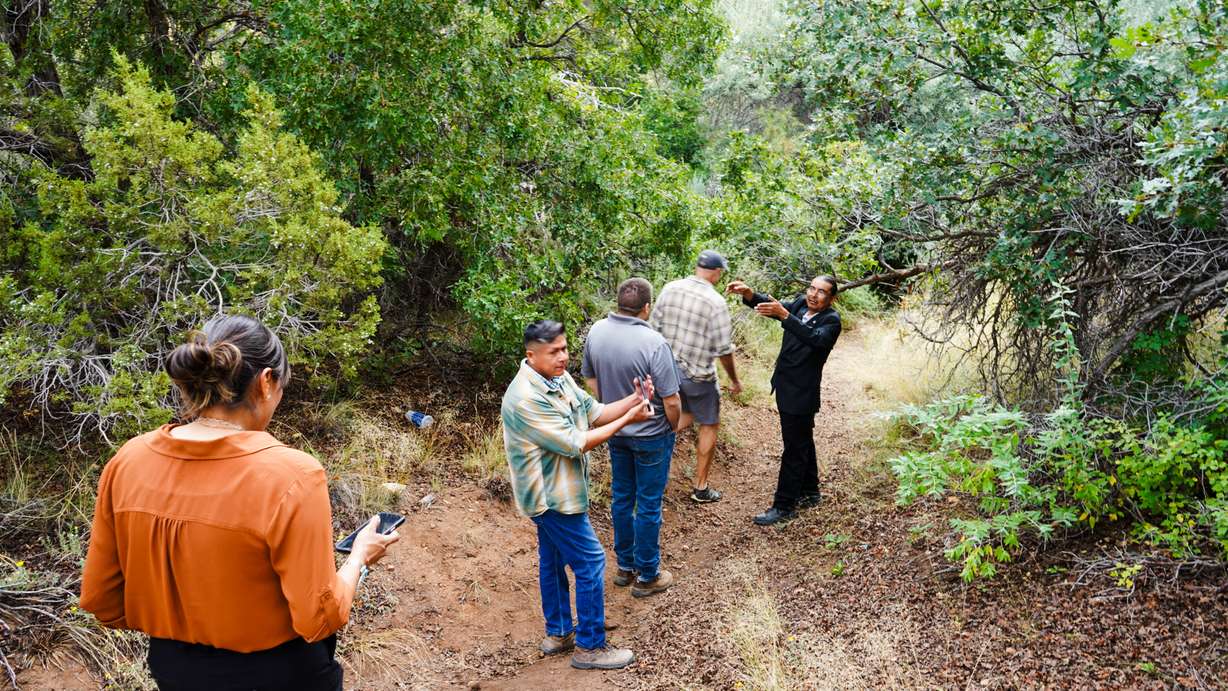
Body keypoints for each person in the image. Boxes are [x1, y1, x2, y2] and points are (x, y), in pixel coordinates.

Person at [80, 315, 399, 690]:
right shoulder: (293, 475)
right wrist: (358, 559)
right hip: (279, 675)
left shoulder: (128, 460)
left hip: (173, 669)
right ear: (266, 383)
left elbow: (101, 599)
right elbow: (319, 618)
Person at [501, 319, 655, 670]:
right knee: (591, 562)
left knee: (553, 561)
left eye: (565, 348)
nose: (563, 357)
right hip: (549, 497)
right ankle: (590, 646)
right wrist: (631, 418)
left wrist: (636, 397)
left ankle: (559, 633)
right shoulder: (524, 398)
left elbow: (595, 413)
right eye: (554, 351)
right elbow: (576, 443)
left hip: (565, 491)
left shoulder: (558, 378)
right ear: (531, 355)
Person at [581, 278, 682, 598]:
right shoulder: (654, 343)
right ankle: (648, 574)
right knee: (649, 504)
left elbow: (589, 377)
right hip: (651, 434)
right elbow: (672, 400)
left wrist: (608, 411)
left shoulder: (597, 331)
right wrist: (672, 426)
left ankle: (625, 566)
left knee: (622, 498)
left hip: (616, 432)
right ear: (646, 307)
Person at [727, 275, 842, 526]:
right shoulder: (800, 304)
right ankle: (810, 491)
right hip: (784, 386)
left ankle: (784, 505)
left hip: (802, 393)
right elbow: (772, 306)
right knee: (801, 440)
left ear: (832, 298)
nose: (813, 294)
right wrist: (748, 294)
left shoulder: (831, 321)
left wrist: (785, 316)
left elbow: (815, 339)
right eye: (812, 288)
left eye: (821, 292)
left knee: (794, 449)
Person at [649, 249, 741, 504]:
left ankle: (651, 477)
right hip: (699, 377)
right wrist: (734, 380)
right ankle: (701, 487)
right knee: (709, 424)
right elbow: (724, 350)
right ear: (717, 272)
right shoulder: (716, 302)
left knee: (676, 418)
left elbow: (653, 330)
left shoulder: (670, 288)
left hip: (666, 371)